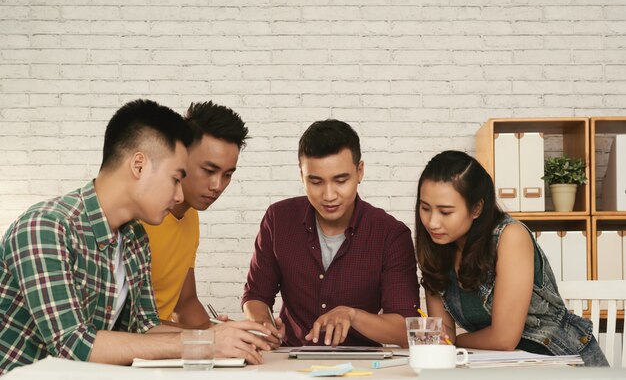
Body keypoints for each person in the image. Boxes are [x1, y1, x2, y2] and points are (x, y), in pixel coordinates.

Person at [0, 100, 270, 375]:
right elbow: (74, 345)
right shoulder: (46, 227)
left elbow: (144, 328)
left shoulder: (135, 237)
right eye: (176, 178)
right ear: (139, 166)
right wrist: (204, 342)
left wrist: (223, 336)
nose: (179, 196)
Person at [414, 150, 608, 366]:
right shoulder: (436, 250)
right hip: (505, 364)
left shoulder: (510, 236)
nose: (432, 222)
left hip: (562, 360)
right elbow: (444, 332)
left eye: (446, 212)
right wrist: (445, 340)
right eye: (425, 208)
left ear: (476, 208)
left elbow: (504, 338)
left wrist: (455, 341)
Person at [242, 119, 420, 348]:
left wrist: (352, 315)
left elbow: (407, 329)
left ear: (360, 172)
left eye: (341, 180)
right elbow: (256, 295)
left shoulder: (391, 234)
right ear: (301, 176)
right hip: (290, 359)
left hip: (365, 367)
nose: (328, 195)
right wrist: (264, 326)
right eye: (315, 182)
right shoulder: (278, 219)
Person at [142, 101, 251, 329]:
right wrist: (208, 338)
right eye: (209, 170)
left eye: (228, 174)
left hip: (162, 349)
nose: (217, 185)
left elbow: (186, 302)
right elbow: (129, 324)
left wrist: (224, 332)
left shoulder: (190, 216)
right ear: (180, 156)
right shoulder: (139, 217)